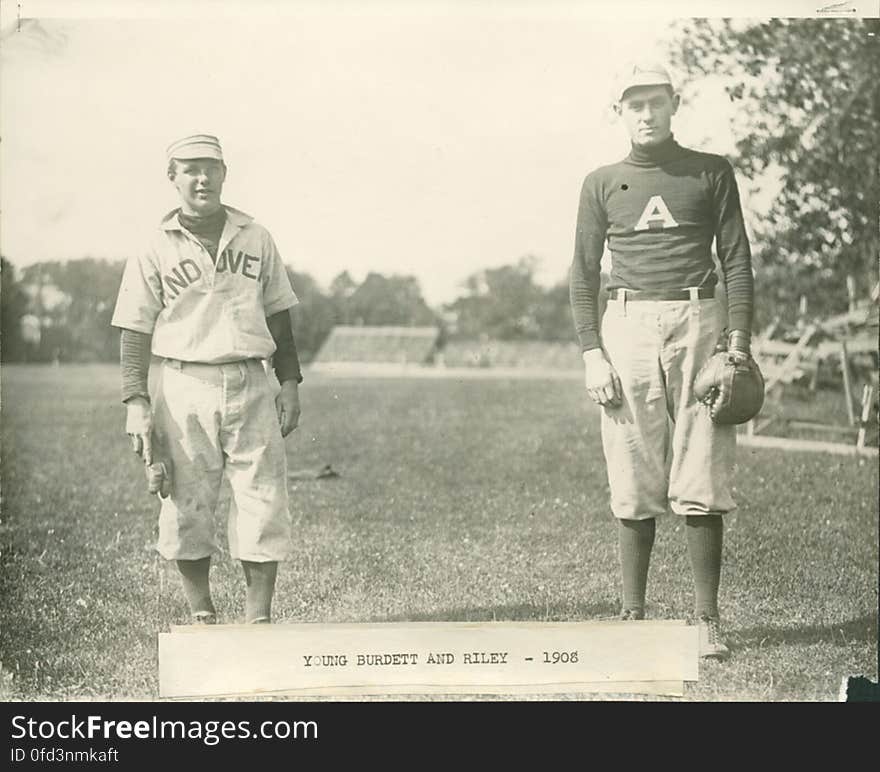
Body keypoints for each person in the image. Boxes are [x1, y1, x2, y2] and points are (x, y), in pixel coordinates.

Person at [569, 63, 755, 660]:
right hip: (624, 323)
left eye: (655, 102)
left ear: (674, 104)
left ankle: (706, 622)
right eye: (634, 105)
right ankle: (633, 618)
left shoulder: (710, 171)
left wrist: (739, 343)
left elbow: (737, 260)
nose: (646, 114)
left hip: (699, 320)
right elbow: (581, 273)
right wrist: (592, 352)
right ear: (619, 112)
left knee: (702, 468)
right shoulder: (601, 181)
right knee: (631, 469)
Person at [111, 134, 303, 625]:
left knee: (262, 499)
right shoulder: (155, 244)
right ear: (172, 178)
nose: (202, 178)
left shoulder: (255, 236)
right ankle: (202, 614)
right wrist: (136, 400)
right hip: (183, 384)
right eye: (190, 169)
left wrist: (290, 382)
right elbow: (135, 329)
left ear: (224, 174)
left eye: (210, 168)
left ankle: (258, 619)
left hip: (250, 379)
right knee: (186, 503)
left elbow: (278, 315)